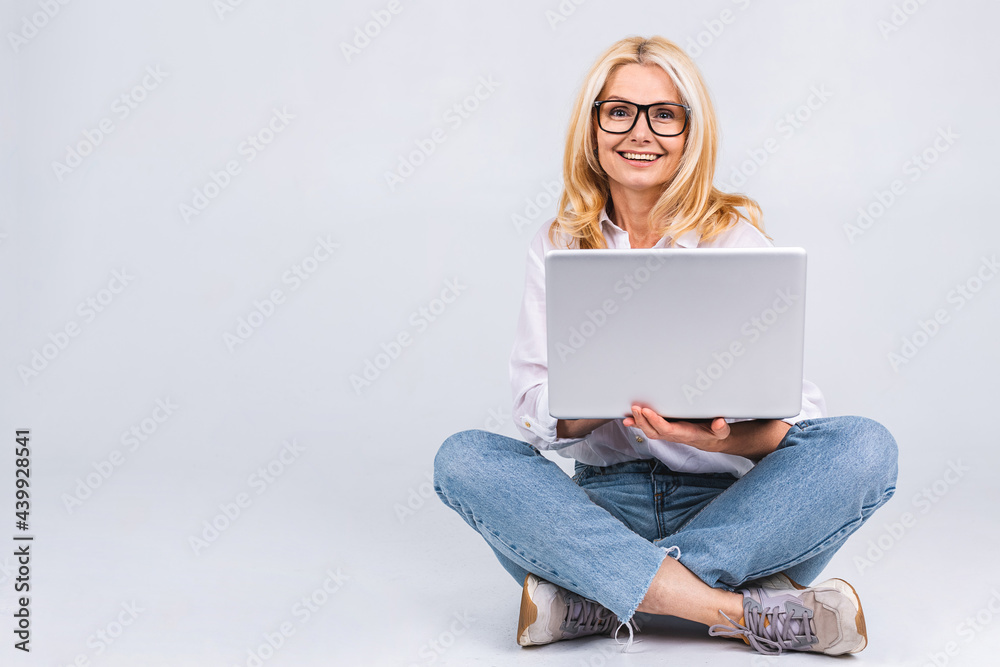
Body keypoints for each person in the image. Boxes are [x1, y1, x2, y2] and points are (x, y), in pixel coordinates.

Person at [433, 35, 898, 657]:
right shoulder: (561, 241)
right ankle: (734, 611)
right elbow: (534, 413)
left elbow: (797, 425)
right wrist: (602, 391)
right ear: (593, 126)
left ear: (688, 131)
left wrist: (709, 437)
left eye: (664, 114)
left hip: (738, 511)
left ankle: (596, 600)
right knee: (463, 457)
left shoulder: (734, 239)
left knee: (865, 446)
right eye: (619, 111)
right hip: (604, 506)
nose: (640, 132)